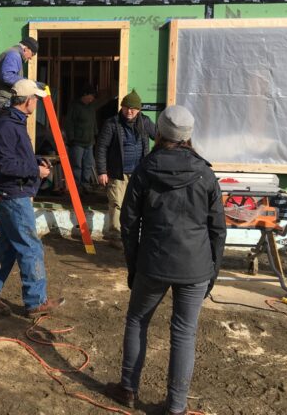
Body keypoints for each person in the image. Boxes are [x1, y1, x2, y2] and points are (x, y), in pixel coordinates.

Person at [104, 105, 226, 415]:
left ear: (159, 133)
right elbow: (218, 229)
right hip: (195, 266)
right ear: (188, 136)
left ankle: (128, 389)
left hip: (154, 262)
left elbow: (129, 224)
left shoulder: (145, 169)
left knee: (137, 320)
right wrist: (212, 271)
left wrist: (134, 266)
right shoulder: (206, 173)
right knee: (184, 332)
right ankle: (176, 407)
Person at [0, 79, 65, 318]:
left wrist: (35, 161)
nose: (36, 102)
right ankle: (36, 302)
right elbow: (5, 164)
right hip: (12, 194)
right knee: (30, 246)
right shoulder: (8, 126)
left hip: (12, 192)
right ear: (28, 101)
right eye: (35, 99)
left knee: (7, 246)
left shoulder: (14, 122)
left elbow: (15, 157)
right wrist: (35, 171)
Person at [94, 89, 156, 245]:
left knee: (137, 205)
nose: (129, 111)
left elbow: (160, 138)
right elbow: (101, 147)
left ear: (138, 110)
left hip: (139, 172)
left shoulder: (145, 122)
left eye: (133, 108)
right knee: (117, 204)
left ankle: (132, 234)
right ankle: (115, 236)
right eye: (126, 107)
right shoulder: (112, 124)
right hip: (117, 172)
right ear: (121, 107)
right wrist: (102, 171)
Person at [63, 84, 106, 194]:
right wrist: (71, 138)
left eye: (93, 97)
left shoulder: (91, 107)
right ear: (84, 95)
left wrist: (95, 133)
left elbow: (93, 121)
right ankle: (77, 186)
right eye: (90, 97)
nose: (92, 99)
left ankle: (85, 185)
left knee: (88, 164)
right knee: (77, 165)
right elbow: (69, 123)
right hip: (77, 142)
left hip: (89, 142)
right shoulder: (75, 106)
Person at [0, 37, 39, 117]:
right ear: (25, 49)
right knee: (2, 128)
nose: (30, 58)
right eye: (32, 54)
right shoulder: (14, 55)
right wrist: (28, 82)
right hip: (0, 102)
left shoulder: (12, 53)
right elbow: (7, 76)